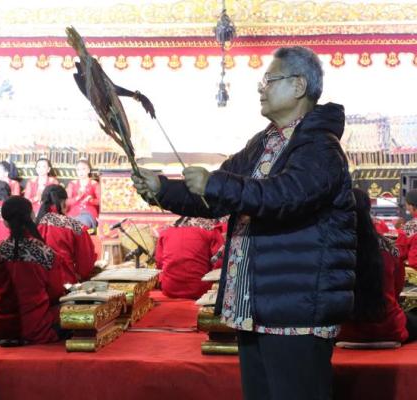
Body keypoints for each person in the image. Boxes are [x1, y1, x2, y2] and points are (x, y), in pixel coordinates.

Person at [132, 46, 355, 400]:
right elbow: (216, 195)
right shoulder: (264, 142)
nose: (261, 88)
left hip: (296, 310)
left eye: (269, 79)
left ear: (298, 86)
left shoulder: (319, 146)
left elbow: (286, 196)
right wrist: (162, 188)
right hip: (257, 304)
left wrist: (216, 184)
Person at [0, 196, 66, 346]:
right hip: (34, 326)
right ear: (32, 216)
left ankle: (7, 334)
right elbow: (55, 291)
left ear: (5, 222)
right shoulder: (46, 253)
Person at [338, 189, 413, 343]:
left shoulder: (335, 249)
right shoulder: (389, 249)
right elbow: (397, 289)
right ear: (369, 210)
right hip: (389, 329)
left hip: (344, 330)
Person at [36, 184, 96, 284]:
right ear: (63, 202)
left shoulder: (35, 224)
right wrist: (81, 275)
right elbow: (86, 257)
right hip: (65, 281)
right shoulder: (73, 225)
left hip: (39, 282)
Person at [155, 217, 224, 300]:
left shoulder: (167, 230)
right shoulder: (211, 229)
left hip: (169, 289)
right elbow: (220, 263)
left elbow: (159, 263)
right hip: (201, 291)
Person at [66, 159, 101, 228]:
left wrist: (91, 200)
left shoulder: (94, 184)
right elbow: (67, 202)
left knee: (80, 226)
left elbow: (101, 202)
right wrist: (77, 197)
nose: (80, 172)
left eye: (83, 169)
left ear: (88, 170)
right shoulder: (72, 184)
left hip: (88, 212)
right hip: (73, 212)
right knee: (67, 226)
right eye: (78, 170)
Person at [397, 189, 417, 268]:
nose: (407, 208)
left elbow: (401, 253)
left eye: (407, 205)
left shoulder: (410, 226)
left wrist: (399, 230)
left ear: (412, 206)